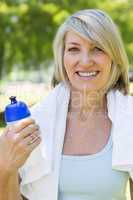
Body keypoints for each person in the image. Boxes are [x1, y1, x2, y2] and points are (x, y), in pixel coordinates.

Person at [0, 8, 133, 200]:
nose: (85, 61)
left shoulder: (128, 119)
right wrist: (6, 166)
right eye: (74, 49)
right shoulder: (33, 124)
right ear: (62, 59)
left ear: (114, 57)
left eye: (97, 48)